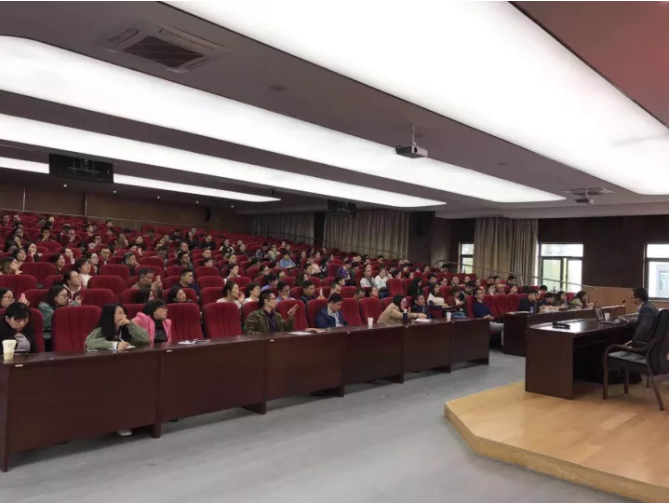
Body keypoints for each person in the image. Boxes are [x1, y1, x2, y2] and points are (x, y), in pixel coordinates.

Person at [38, 285, 69, 351]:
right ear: (55, 297)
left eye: (67, 296)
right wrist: (73, 306)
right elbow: (56, 321)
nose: (66, 298)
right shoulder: (43, 306)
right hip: (48, 337)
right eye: (64, 296)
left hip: (58, 333)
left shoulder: (59, 307)